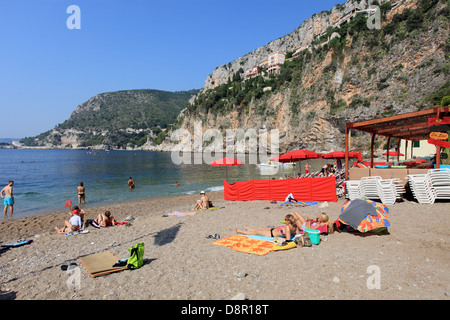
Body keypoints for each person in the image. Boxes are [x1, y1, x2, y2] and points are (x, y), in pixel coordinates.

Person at [235, 214, 301, 240]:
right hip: (274, 230)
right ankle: (250, 229)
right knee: (261, 229)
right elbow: (298, 235)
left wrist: (279, 238)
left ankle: (240, 232)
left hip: (271, 234)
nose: (284, 221)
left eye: (285, 220)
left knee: (256, 232)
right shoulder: (295, 226)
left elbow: (288, 239)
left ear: (289, 221)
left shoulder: (287, 227)